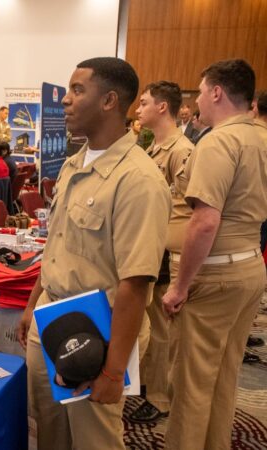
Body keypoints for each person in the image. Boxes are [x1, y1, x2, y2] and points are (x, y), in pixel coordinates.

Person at [17, 57, 171, 450]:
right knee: (51, 434)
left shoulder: (138, 180)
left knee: (93, 441)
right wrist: (33, 304)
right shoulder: (74, 164)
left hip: (98, 331)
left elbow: (135, 284)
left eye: (77, 90)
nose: (66, 101)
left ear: (109, 101)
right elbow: (59, 245)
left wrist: (113, 370)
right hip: (50, 319)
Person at [162, 59, 267, 450]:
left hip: (214, 276)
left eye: (201, 91)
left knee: (189, 384)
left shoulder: (219, 140)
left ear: (217, 92)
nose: (199, 100)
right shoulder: (261, 136)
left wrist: (179, 287)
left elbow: (205, 222)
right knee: (223, 377)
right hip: (249, 267)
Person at [130, 80, 194, 424]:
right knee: (148, 324)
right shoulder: (155, 147)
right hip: (152, 247)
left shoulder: (181, 151)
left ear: (162, 107)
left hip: (169, 251)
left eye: (143, 103)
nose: (138, 110)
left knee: (162, 329)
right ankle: (149, 383)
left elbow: (187, 208)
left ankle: (160, 396)